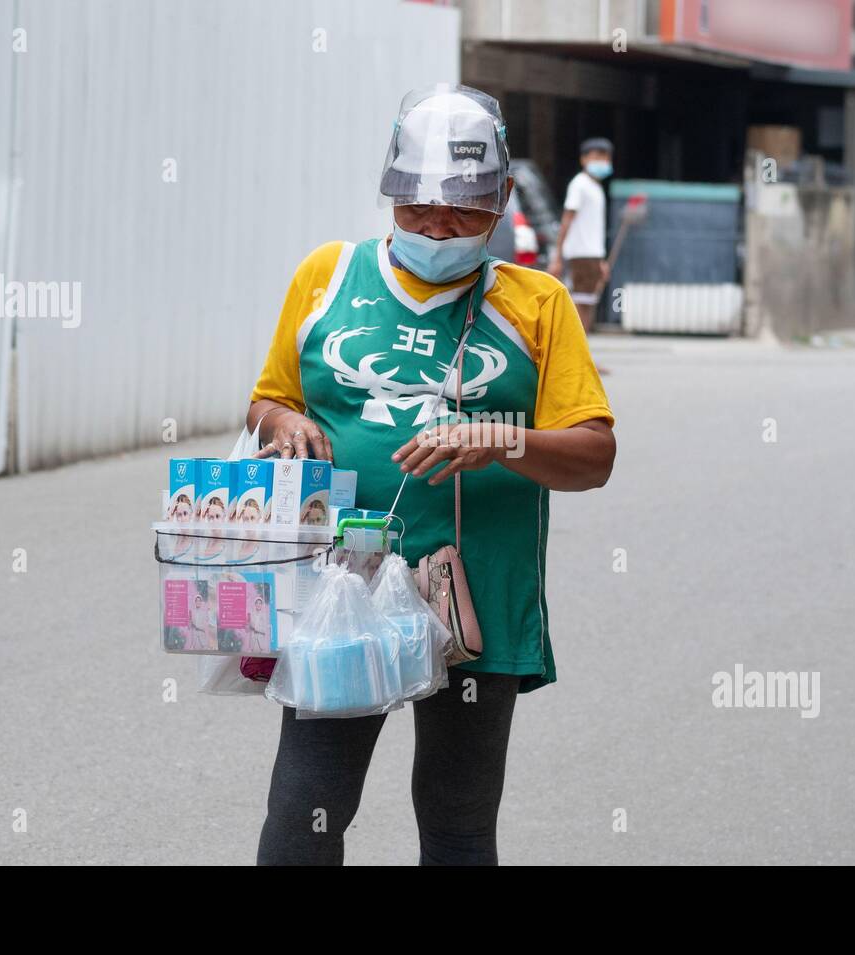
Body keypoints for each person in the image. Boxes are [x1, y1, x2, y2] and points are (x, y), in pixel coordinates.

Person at [244, 83, 616, 865]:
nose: (438, 229)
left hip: (474, 604)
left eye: (463, 215)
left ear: (503, 201)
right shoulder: (326, 278)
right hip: (342, 591)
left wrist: (501, 438)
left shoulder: (538, 305)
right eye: (418, 211)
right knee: (306, 806)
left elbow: (594, 455)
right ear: (391, 194)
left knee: (455, 816)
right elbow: (270, 400)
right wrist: (284, 423)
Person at [549, 137, 614, 342]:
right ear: (583, 159)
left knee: (587, 305)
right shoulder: (580, 185)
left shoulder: (595, 188)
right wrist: (557, 257)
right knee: (579, 306)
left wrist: (600, 261)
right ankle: (575, 354)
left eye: (605, 157)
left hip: (592, 255)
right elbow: (567, 221)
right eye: (596, 156)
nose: (602, 161)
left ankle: (583, 354)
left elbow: (593, 229)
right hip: (580, 254)